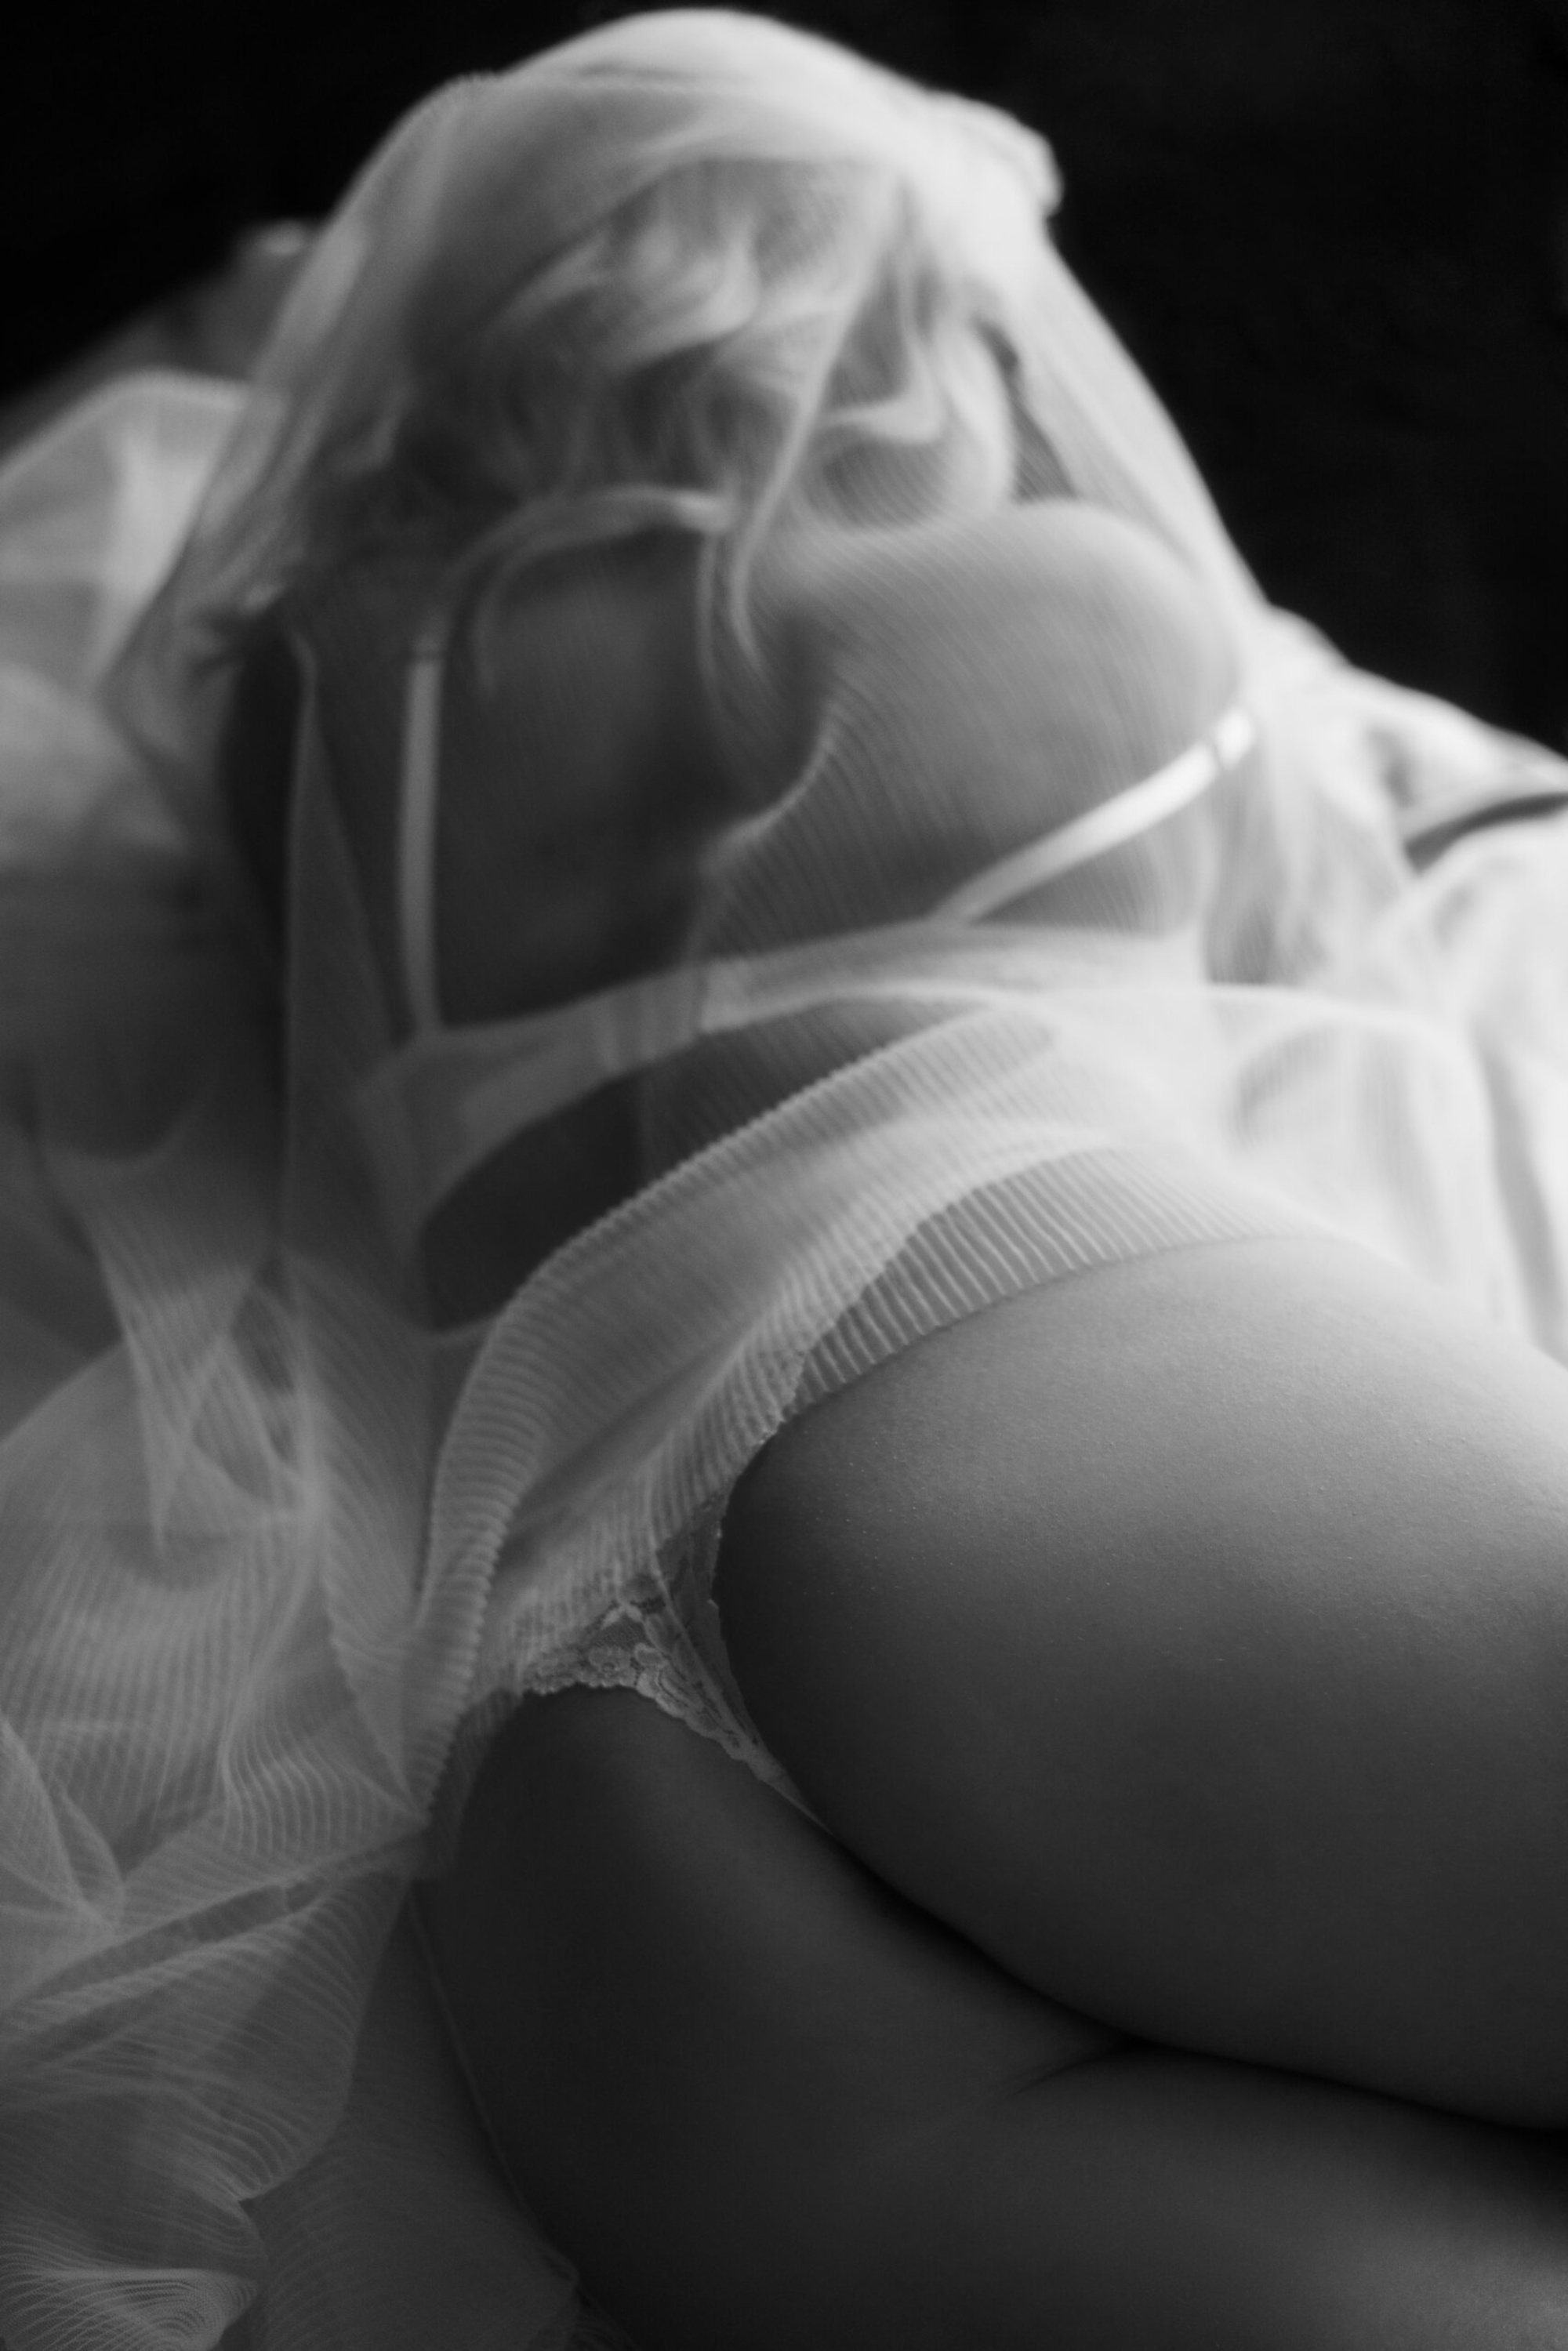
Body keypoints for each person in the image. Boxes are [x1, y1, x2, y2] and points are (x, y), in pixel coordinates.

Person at [4, 12, 1568, 2347]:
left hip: (564, 1811)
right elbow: (1331, 898)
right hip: (988, 1429)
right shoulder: (1059, 603)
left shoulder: (313, 695)